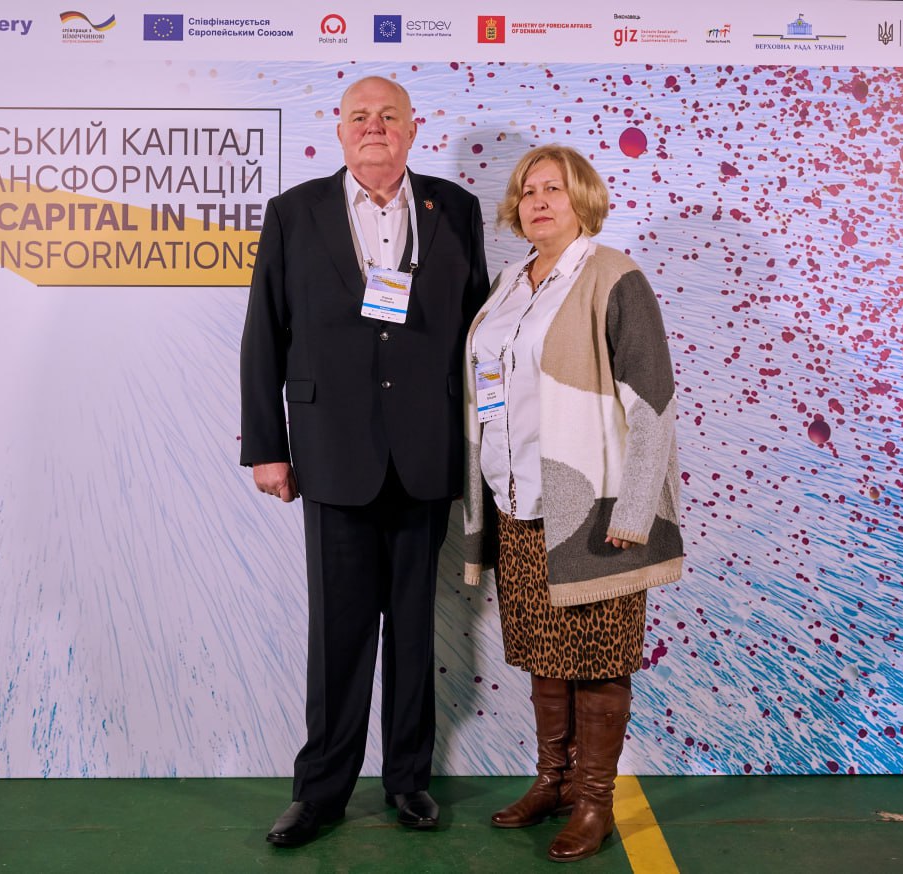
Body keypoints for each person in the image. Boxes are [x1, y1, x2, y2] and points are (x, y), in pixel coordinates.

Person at [240, 75, 489, 848]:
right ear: (339, 129)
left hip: (426, 453)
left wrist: (484, 447)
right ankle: (320, 793)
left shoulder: (456, 209)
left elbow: (478, 335)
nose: (374, 126)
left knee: (413, 630)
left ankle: (408, 780)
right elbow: (264, 333)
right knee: (338, 635)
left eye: (388, 116)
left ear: (413, 128)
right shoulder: (294, 212)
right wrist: (268, 447)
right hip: (331, 453)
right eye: (360, 116)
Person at [462, 145, 683, 862]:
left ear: (583, 199)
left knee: (598, 657)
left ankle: (594, 801)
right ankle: (552, 781)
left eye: (554, 189)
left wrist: (636, 507)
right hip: (519, 500)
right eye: (528, 190)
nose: (538, 201)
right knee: (545, 654)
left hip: (594, 506)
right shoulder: (508, 282)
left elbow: (652, 398)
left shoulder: (613, 275)